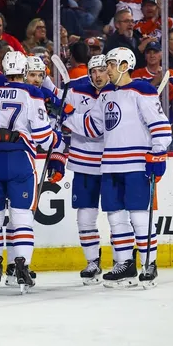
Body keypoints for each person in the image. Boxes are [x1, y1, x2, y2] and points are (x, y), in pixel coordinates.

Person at [62, 47, 172, 289]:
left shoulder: (142, 90)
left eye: (110, 64)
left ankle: (149, 264)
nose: (107, 69)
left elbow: (160, 125)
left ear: (124, 65)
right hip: (109, 165)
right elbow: (93, 127)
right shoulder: (106, 95)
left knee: (139, 217)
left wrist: (158, 154)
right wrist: (67, 116)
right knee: (116, 217)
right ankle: (124, 264)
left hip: (135, 164)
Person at [0, 51, 64, 293]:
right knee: (21, 215)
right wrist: (59, 140)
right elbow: (43, 136)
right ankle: (21, 266)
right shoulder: (32, 92)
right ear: (24, 71)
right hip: (19, 159)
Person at [64, 55, 109, 285]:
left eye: (102, 70)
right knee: (85, 216)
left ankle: (125, 261)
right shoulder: (76, 91)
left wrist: (71, 116)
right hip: (83, 163)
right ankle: (93, 261)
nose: (98, 75)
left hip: (113, 162)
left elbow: (96, 129)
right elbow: (61, 123)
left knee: (118, 216)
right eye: (94, 71)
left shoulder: (116, 93)